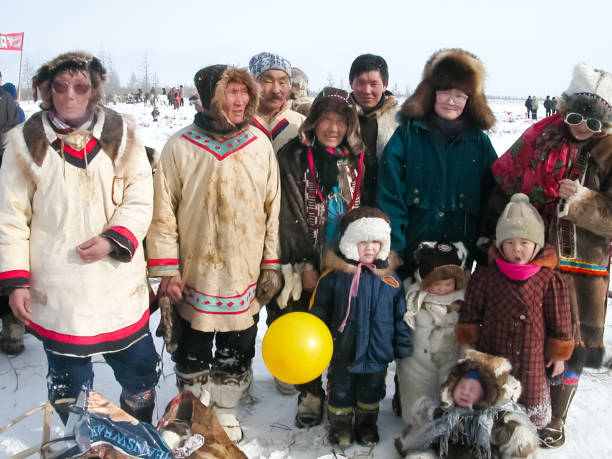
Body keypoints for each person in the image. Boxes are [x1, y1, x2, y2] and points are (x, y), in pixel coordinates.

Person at [0, 51, 160, 423]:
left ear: (94, 91)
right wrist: (15, 281)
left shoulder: (123, 135)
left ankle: (138, 429)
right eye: (60, 86)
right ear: (47, 91)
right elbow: (10, 217)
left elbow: (140, 196)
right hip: (59, 287)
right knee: (69, 380)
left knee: (140, 370)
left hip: (117, 284)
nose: (69, 94)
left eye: (80, 86)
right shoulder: (26, 142)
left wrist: (114, 238)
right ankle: (82, 435)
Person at [146, 64, 282, 442]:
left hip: (244, 270)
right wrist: (167, 270)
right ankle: (192, 407)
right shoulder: (180, 146)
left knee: (237, 346)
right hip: (194, 272)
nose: (239, 101)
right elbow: (163, 213)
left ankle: (224, 408)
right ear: (210, 98)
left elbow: (273, 209)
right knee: (192, 346)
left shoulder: (258, 144)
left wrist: (271, 262)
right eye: (230, 93)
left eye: (243, 93)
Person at [484, 63, 612, 447]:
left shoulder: (609, 150)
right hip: (527, 255)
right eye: (575, 117)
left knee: (572, 339)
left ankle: (556, 416)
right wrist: (489, 234)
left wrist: (584, 201)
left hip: (582, 263)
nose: (582, 128)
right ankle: (515, 405)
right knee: (523, 332)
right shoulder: (539, 134)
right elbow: (502, 181)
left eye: (593, 122)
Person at [275, 86, 365, 427]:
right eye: (325, 119)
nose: (332, 128)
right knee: (305, 324)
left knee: (343, 327)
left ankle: (341, 392)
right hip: (305, 258)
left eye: (339, 121)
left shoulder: (356, 158)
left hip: (347, 259)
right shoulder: (294, 156)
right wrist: (306, 266)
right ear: (313, 121)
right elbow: (289, 215)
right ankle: (309, 392)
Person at [377, 48, 497, 281]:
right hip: (410, 258)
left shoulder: (479, 143)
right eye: (444, 92)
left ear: (470, 100)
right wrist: (395, 246)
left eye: (460, 95)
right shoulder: (407, 135)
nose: (451, 101)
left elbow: (492, 198)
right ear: (432, 93)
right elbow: (389, 193)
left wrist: (484, 246)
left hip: (460, 259)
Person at [457, 193, 574, 430]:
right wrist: (466, 343)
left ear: (537, 245)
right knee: (492, 394)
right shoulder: (486, 277)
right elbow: (471, 312)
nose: (516, 250)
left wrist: (559, 353)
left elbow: (560, 319)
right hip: (493, 352)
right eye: (509, 243)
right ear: (500, 245)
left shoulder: (550, 279)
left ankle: (526, 433)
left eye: (524, 243)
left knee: (530, 402)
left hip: (532, 357)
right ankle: (491, 429)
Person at [309, 206, 412, 447]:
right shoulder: (334, 277)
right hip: (343, 350)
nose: (369, 247)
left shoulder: (391, 281)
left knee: (371, 391)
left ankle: (366, 425)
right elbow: (319, 311)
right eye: (362, 241)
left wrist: (402, 346)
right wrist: (316, 343)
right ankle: (341, 425)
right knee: (341, 391)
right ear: (349, 243)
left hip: (377, 352)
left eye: (375, 242)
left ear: (383, 245)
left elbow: (400, 317)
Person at [395, 350, 538, 459]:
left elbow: (515, 437)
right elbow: (420, 435)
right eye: (461, 386)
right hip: (448, 453)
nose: (465, 392)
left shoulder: (493, 420)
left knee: (519, 436)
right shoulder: (444, 412)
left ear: (485, 395)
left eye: (472, 390)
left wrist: (518, 439)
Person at [396, 241, 468, 428]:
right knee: (417, 391)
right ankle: (418, 428)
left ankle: (451, 426)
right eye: (436, 284)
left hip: (450, 354)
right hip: (418, 358)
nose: (443, 289)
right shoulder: (412, 297)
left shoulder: (463, 298)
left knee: (450, 390)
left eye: (448, 284)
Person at [349, 54, 400, 206]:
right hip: (348, 201)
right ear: (351, 83)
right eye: (361, 83)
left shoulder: (400, 119)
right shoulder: (339, 115)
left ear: (385, 85)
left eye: (374, 84)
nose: (367, 90)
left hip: (388, 200)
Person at [249, 52, 305, 154]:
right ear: (253, 85)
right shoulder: (241, 124)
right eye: (268, 81)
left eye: (282, 82)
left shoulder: (302, 125)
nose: (275, 90)